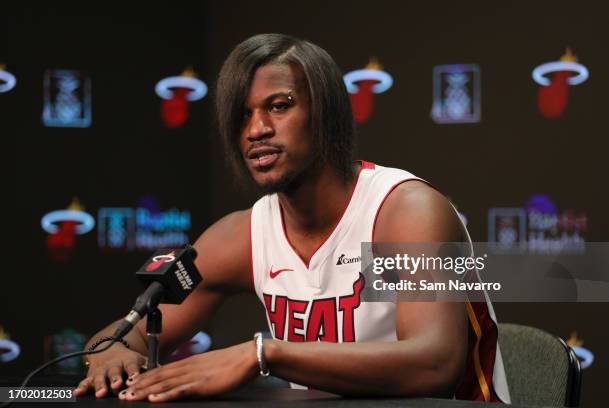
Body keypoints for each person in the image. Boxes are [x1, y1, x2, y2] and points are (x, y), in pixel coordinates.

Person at [74, 33, 510, 403]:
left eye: (279, 106)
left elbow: (435, 363)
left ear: (324, 114)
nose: (256, 129)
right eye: (242, 114)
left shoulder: (402, 211)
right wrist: (115, 358)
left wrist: (263, 354)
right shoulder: (243, 235)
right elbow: (112, 341)